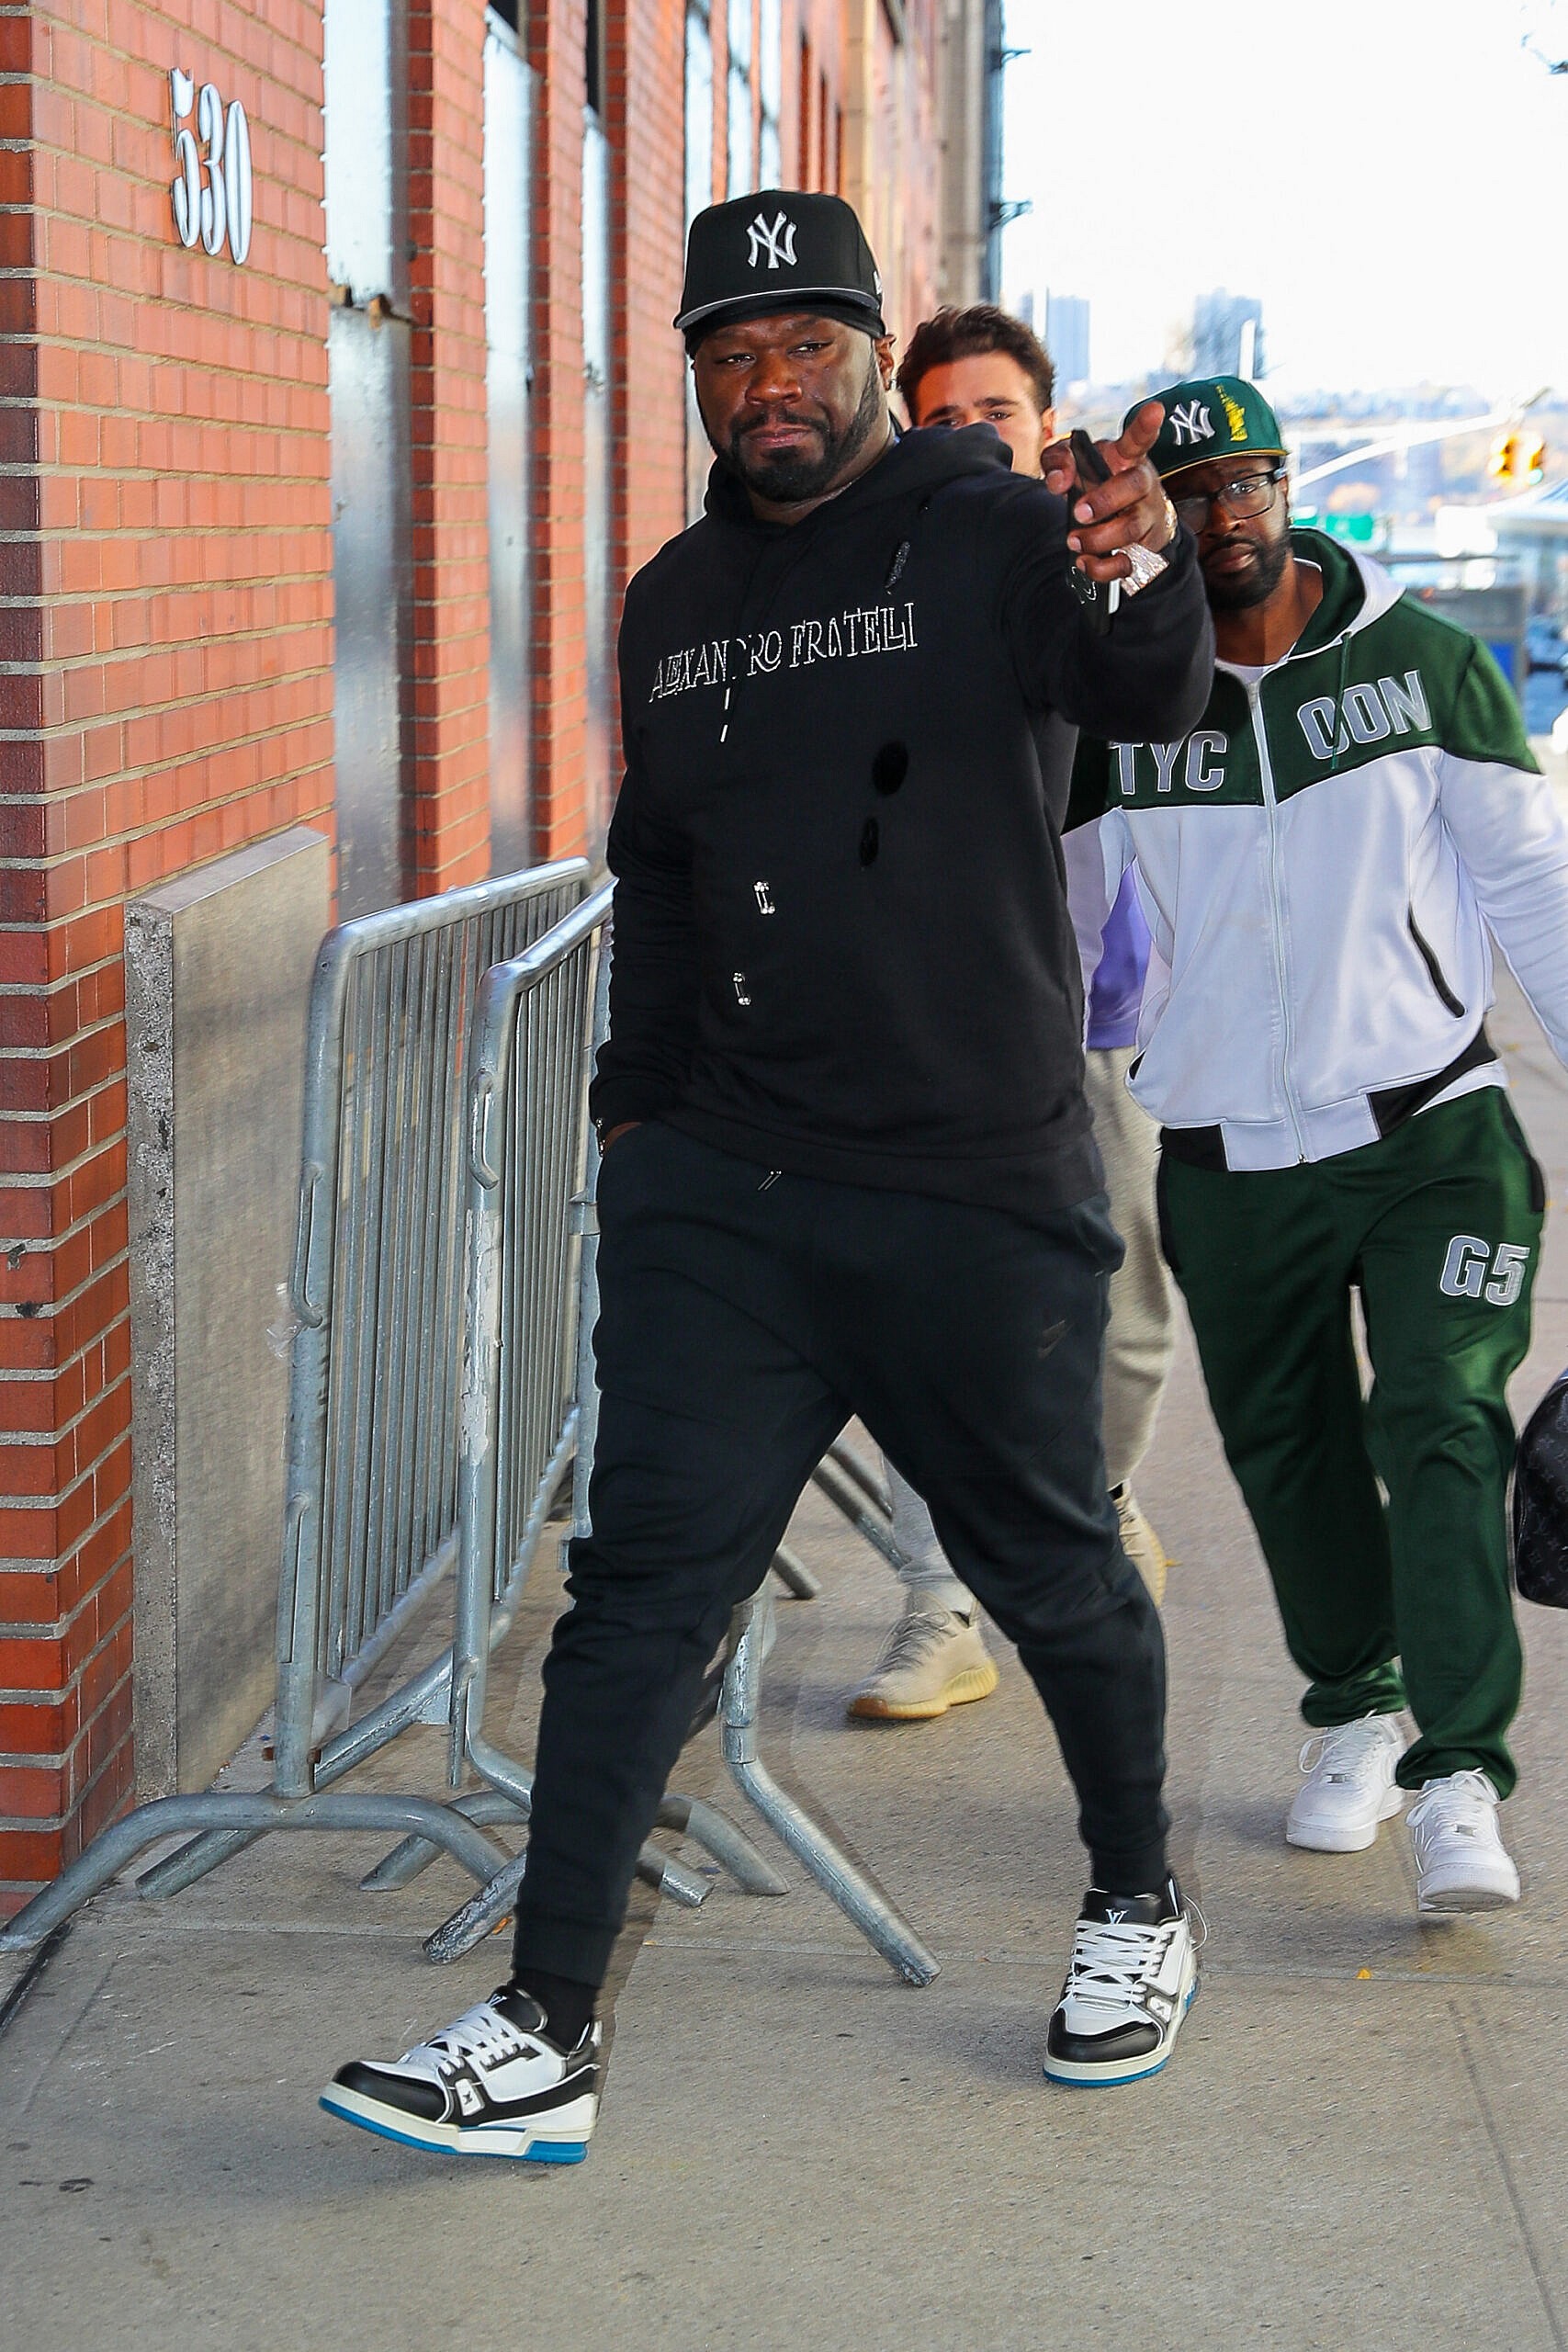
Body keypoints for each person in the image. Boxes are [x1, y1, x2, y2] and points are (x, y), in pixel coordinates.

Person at [321, 193, 1213, 2163]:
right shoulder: (671, 595)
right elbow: (658, 859)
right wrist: (636, 1115)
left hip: (968, 1176)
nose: (762, 386)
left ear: (871, 354)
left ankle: (1135, 1896)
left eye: (799, 345)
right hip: (725, 1184)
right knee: (634, 1594)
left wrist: (1140, 570)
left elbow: (1141, 689)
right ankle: (543, 2021)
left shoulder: (986, 529)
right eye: (725, 358)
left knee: (1047, 1562)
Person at [1066, 373, 1568, 1917]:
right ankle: (1354, 1706)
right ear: (1148, 514)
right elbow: (1075, 931)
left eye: (1249, 484)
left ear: (1285, 489)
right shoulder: (1123, 704)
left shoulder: (1420, 666)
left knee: (1439, 1417)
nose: (1226, 517)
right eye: (1192, 493)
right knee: (1289, 1459)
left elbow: (1535, 891)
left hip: (1434, 1133)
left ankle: (1463, 1774)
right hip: (1225, 1157)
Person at [845, 305, 1176, 1724]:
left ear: (1047, 428)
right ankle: (944, 1601)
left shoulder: (1105, 563)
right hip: (939, 1023)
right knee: (933, 1319)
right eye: (943, 418)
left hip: (1099, 1013)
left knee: (1127, 1317)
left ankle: (1089, 1497)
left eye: (997, 413)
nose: (971, 437)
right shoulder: (897, 577)